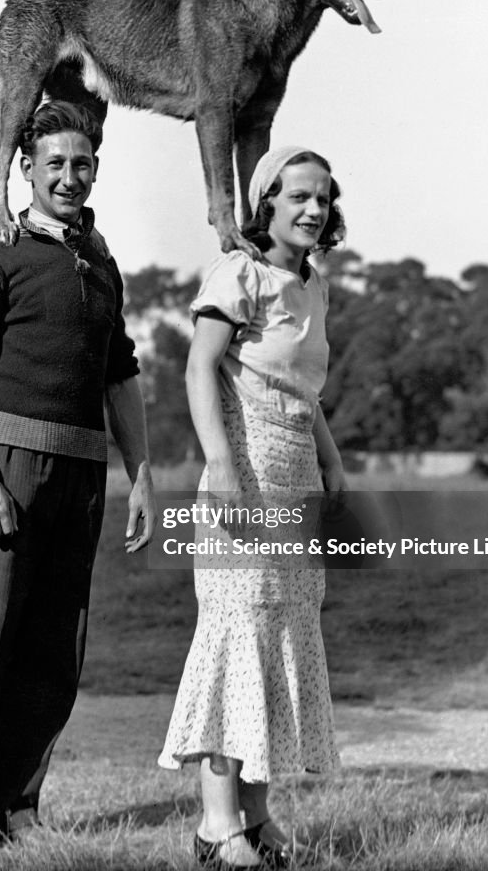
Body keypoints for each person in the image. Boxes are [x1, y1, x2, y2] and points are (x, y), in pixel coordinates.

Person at [0, 101, 155, 859]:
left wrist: (142, 476)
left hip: (83, 472)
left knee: (55, 651)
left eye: (81, 163)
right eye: (53, 162)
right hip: (7, 469)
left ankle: (14, 811)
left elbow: (120, 376)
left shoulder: (101, 262)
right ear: (24, 166)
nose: (68, 176)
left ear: (96, 169)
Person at [159, 146, 345, 869]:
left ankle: (258, 819)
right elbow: (199, 366)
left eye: (322, 199)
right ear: (264, 201)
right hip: (243, 476)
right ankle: (214, 825)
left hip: (295, 471)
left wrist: (328, 457)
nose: (311, 209)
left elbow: (303, 391)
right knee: (237, 637)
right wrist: (220, 467)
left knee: (282, 638)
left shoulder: (311, 284)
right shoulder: (237, 272)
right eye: (297, 195)